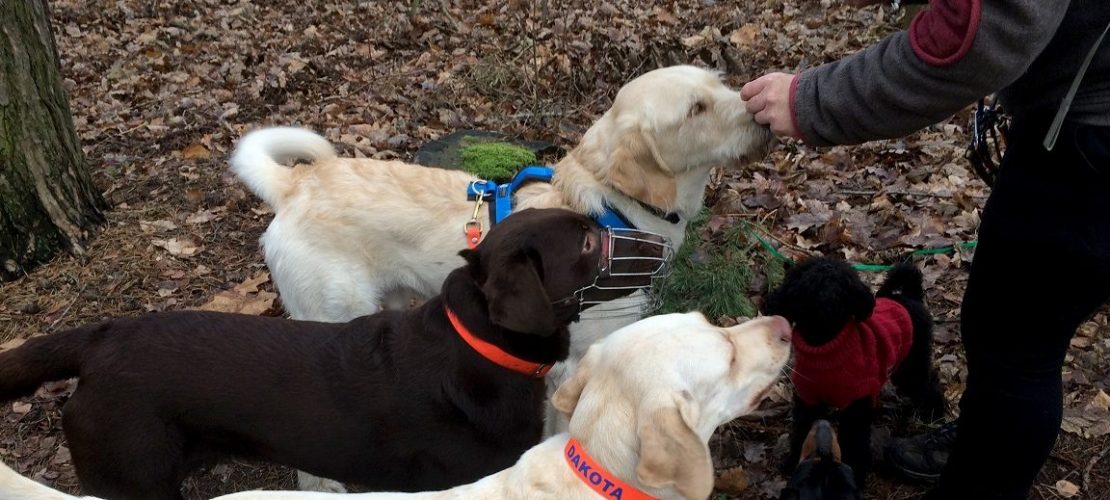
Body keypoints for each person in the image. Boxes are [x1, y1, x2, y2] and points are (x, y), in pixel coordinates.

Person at [741, 1, 1110, 499]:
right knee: (1019, 349)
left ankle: (982, 467)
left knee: (1016, 352)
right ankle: (987, 436)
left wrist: (813, 100)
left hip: (1086, 137)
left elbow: (983, 33)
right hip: (1079, 117)